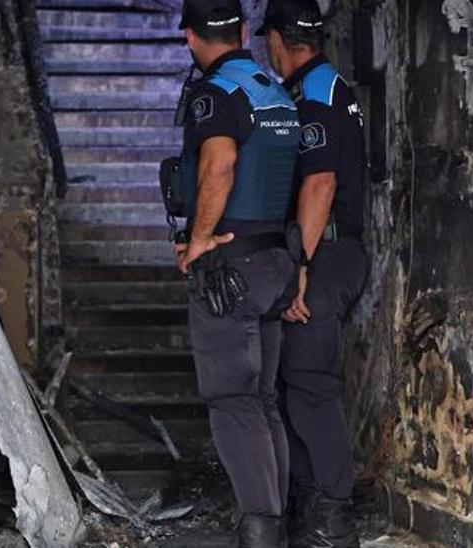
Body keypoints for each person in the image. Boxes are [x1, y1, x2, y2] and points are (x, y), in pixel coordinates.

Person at [171, 0, 302, 544]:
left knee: (232, 401)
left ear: (189, 38)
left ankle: (261, 532)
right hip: (276, 259)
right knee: (264, 399)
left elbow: (219, 163)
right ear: (244, 30)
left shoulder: (216, 94)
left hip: (233, 265)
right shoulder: (273, 90)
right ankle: (276, 522)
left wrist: (199, 241)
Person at [259, 0, 370, 545]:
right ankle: (311, 508)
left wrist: (299, 266)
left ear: (277, 39)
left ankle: (333, 517)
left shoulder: (319, 91)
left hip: (324, 256)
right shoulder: (309, 89)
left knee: (308, 387)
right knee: (289, 384)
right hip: (315, 253)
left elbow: (320, 183)